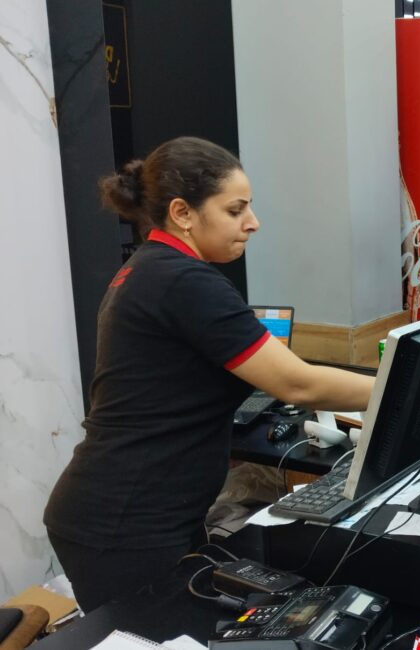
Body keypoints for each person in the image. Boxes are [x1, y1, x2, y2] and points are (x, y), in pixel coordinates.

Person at [43, 137, 375, 613]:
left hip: (135, 513)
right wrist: (400, 384)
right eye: (235, 209)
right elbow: (297, 383)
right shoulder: (182, 280)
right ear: (183, 213)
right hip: (123, 522)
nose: (252, 223)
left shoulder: (152, 270)